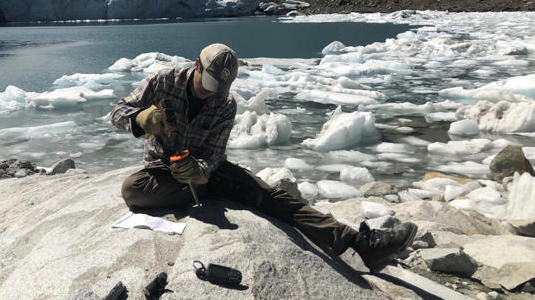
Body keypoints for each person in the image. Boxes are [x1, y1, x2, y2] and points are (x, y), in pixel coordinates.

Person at [110, 42, 417, 271]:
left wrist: (201, 172)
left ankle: (360, 244)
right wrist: (139, 120)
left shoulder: (224, 103)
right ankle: (199, 191)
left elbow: (213, 155)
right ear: (196, 66)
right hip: (162, 171)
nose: (210, 93)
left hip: (208, 174)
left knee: (273, 197)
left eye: (219, 88)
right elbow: (118, 112)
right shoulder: (164, 81)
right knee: (132, 191)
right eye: (208, 84)